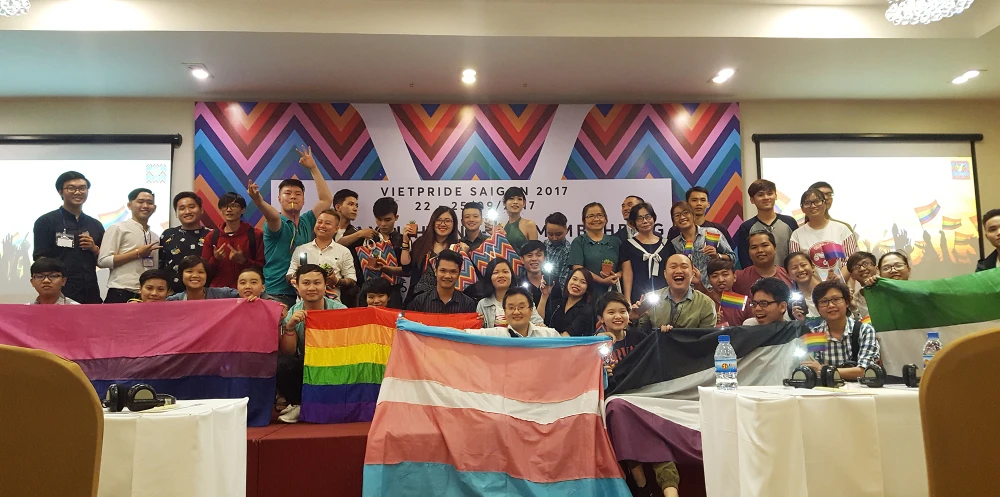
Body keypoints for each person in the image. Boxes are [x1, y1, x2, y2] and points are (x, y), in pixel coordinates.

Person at [248, 145, 333, 309]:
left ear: (303, 200)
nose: (293, 196)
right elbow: (272, 216)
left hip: (305, 292)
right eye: (287, 193)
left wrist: (313, 168)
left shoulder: (307, 220)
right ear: (279, 199)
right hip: (277, 292)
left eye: (298, 194)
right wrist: (258, 201)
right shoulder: (276, 222)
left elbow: (326, 200)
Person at [278, 264, 348, 423]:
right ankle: (298, 404)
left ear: (325, 285)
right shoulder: (293, 312)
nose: (311, 288)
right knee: (281, 364)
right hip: (307, 366)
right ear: (297, 286)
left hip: (336, 366)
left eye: (317, 283)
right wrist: (290, 326)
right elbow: (288, 352)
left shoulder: (340, 310)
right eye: (306, 283)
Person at [32, 171, 105, 303]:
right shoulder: (46, 221)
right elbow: (40, 258)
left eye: (82, 188)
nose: (78, 192)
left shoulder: (95, 224)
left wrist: (94, 248)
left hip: (90, 290)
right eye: (71, 188)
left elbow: (104, 259)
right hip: (60, 293)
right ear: (60, 191)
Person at [800, 280, 879, 381]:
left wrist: (823, 370)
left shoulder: (865, 330)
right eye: (824, 302)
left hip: (860, 389)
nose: (831, 305)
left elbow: (865, 371)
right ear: (818, 308)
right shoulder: (815, 334)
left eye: (836, 299)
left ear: (847, 302)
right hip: (826, 389)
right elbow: (813, 370)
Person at [98, 188, 160, 303]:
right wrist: (137, 253)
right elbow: (102, 261)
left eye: (150, 203)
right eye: (140, 201)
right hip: (121, 292)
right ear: (129, 205)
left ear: (154, 208)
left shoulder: (155, 236)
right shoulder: (118, 228)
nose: (145, 206)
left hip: (147, 296)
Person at [287, 209, 357, 301]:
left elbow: (352, 280)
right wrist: (297, 274)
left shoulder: (344, 252)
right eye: (319, 222)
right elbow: (289, 276)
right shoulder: (301, 249)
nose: (322, 226)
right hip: (304, 304)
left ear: (336, 229)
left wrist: (336, 281)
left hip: (332, 304)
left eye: (327, 223)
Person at [634, 254, 717, 331]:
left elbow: (706, 338)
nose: (679, 271)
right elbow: (640, 335)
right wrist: (633, 320)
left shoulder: (705, 303)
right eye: (673, 267)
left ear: (692, 274)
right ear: (665, 274)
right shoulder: (649, 300)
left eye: (684, 267)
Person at [202, 192, 264, 289]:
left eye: (234, 206)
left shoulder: (256, 235)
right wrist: (216, 259)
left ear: (243, 210)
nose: (228, 210)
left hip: (247, 290)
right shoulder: (212, 236)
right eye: (224, 206)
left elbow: (262, 267)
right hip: (218, 291)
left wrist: (243, 261)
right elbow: (203, 271)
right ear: (220, 210)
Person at [788, 188, 858, 274]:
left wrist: (837, 280)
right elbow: (797, 265)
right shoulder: (796, 235)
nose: (813, 206)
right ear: (802, 209)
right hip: (810, 282)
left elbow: (850, 262)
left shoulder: (842, 229)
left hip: (841, 281)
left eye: (817, 201)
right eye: (807, 203)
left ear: (825, 204)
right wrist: (818, 283)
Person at [402, 206, 461, 307]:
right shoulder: (421, 243)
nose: (443, 224)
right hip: (419, 300)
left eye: (447, 221)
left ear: (454, 224)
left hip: (446, 301)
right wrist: (405, 242)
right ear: (433, 222)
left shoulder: (458, 247)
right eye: (439, 220)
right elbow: (406, 268)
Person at [734, 179, 799, 270]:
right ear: (752, 200)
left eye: (770, 193)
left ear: (776, 196)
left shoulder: (789, 222)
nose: (766, 197)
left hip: (788, 276)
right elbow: (745, 259)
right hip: (759, 277)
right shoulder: (746, 227)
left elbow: (797, 254)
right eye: (760, 195)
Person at [668, 201, 735, 287]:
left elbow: (732, 258)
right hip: (688, 290)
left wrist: (717, 256)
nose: (682, 217)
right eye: (677, 215)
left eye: (686, 213)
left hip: (713, 288)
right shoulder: (674, 243)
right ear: (674, 222)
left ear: (693, 216)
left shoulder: (712, 233)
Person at [158, 192, 212, 294]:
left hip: (205, 294)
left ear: (201, 210)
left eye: (192, 207)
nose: (187, 211)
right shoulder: (167, 235)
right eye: (182, 208)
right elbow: (161, 265)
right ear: (176, 213)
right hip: (172, 296)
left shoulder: (212, 235)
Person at [331, 189, 377, 306]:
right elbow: (333, 247)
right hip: (327, 288)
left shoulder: (360, 235)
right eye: (351, 204)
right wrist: (359, 234)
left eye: (356, 205)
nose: (355, 209)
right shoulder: (325, 229)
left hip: (350, 290)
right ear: (338, 207)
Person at [620, 202, 673, 303]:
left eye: (648, 217)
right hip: (638, 297)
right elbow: (627, 274)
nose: (645, 221)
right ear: (634, 222)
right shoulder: (627, 245)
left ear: (654, 218)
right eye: (639, 218)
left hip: (665, 296)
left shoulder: (666, 244)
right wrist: (627, 300)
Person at [461, 287, 559, 338]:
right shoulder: (496, 335)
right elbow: (464, 334)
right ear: (505, 311)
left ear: (531, 310)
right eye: (511, 308)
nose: (516, 312)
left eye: (521, 307)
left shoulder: (549, 335)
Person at [569, 202, 622, 295]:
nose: (596, 219)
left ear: (605, 219)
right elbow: (577, 268)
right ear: (584, 220)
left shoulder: (615, 241)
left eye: (600, 215)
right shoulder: (579, 241)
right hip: (587, 294)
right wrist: (602, 281)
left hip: (613, 294)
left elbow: (625, 268)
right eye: (591, 216)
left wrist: (616, 276)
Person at [476, 258, 544, 327]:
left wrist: (539, 326)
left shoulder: (524, 299)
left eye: (505, 272)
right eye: (496, 272)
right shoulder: (483, 304)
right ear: (489, 277)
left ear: (511, 275)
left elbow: (538, 324)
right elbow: (478, 331)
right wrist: (480, 324)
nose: (501, 275)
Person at [405, 249, 477, 313]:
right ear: (435, 271)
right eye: (443, 271)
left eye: (453, 272)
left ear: (459, 274)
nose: (447, 276)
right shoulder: (420, 301)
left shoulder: (467, 304)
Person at [666, 187, 737, 250]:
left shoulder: (718, 229)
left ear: (708, 204)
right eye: (694, 200)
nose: (699, 203)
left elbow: (730, 256)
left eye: (703, 200)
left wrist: (717, 255)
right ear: (687, 204)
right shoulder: (675, 231)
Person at [371, 197, 411, 307]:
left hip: (394, 293)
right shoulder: (368, 238)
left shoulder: (403, 240)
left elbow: (408, 271)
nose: (383, 224)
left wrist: (387, 269)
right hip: (370, 292)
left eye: (387, 220)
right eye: (379, 219)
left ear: (396, 217)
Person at [732, 231, 793, 295]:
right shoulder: (737, 278)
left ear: (775, 248)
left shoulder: (790, 276)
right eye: (754, 247)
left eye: (765, 245)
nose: (760, 250)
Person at [540, 267, 596, 337]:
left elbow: (566, 337)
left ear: (587, 289)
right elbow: (538, 321)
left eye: (583, 282)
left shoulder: (586, 310)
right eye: (574, 279)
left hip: (570, 343)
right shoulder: (558, 303)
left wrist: (547, 333)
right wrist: (545, 295)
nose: (576, 284)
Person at [166, 256, 240, 300]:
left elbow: (244, 295)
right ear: (181, 275)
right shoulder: (172, 301)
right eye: (189, 271)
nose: (195, 275)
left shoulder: (223, 294)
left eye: (200, 272)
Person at [701, 259, 749, 327]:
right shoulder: (702, 302)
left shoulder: (745, 303)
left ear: (734, 277)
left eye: (725, 274)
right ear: (709, 280)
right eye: (715, 276)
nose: (721, 280)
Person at [784, 251, 823, 320]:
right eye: (794, 268)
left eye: (803, 265)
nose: (800, 270)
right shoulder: (790, 304)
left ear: (813, 267)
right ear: (788, 275)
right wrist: (799, 321)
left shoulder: (828, 292)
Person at [518, 240, 557, 306]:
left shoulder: (553, 280)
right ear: (522, 259)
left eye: (539, 255)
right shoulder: (517, 283)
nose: (534, 259)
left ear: (544, 258)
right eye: (529, 255)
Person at [500, 187, 538, 251]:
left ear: (524, 203)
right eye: (511, 198)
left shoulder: (530, 224)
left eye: (519, 199)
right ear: (504, 203)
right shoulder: (501, 226)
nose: (515, 202)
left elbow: (534, 251)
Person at [543, 212, 572, 289]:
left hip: (556, 291)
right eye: (550, 234)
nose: (554, 238)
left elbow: (563, 280)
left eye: (558, 234)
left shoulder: (568, 251)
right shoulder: (543, 245)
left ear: (566, 230)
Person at [845, 252, 878, 319]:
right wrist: (854, 309)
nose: (862, 269)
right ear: (852, 275)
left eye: (866, 264)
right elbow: (860, 325)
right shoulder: (854, 300)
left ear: (876, 268)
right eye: (856, 267)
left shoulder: (889, 291)